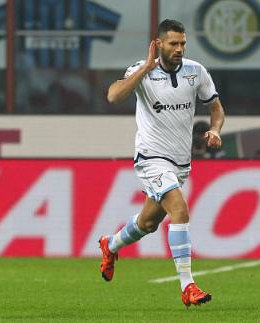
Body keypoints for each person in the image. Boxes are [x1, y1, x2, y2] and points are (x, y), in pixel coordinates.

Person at [99, 19, 225, 308]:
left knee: (148, 222)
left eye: (182, 43)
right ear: (158, 45)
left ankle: (111, 244)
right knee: (179, 209)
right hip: (151, 158)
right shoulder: (142, 71)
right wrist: (145, 68)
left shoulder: (196, 72)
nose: (179, 48)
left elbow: (216, 108)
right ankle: (187, 285)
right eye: (173, 43)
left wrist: (215, 129)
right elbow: (113, 96)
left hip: (180, 164)